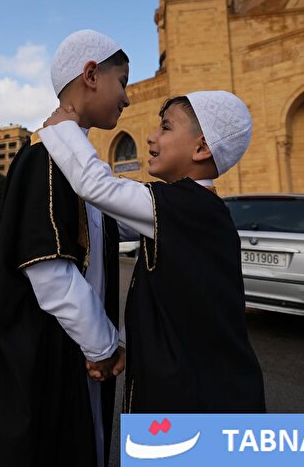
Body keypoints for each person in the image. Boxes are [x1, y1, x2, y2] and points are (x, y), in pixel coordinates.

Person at [40, 90, 266, 413]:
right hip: (199, 388)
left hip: (197, 401)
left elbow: (97, 186)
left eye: (166, 128)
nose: (150, 137)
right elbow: (175, 303)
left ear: (201, 147)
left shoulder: (186, 207)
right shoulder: (190, 210)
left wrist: (63, 129)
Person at [0, 30, 130, 467]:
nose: (127, 98)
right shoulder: (45, 158)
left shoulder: (76, 161)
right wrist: (103, 346)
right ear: (92, 75)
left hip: (71, 348)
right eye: (123, 82)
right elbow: (51, 273)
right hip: (45, 352)